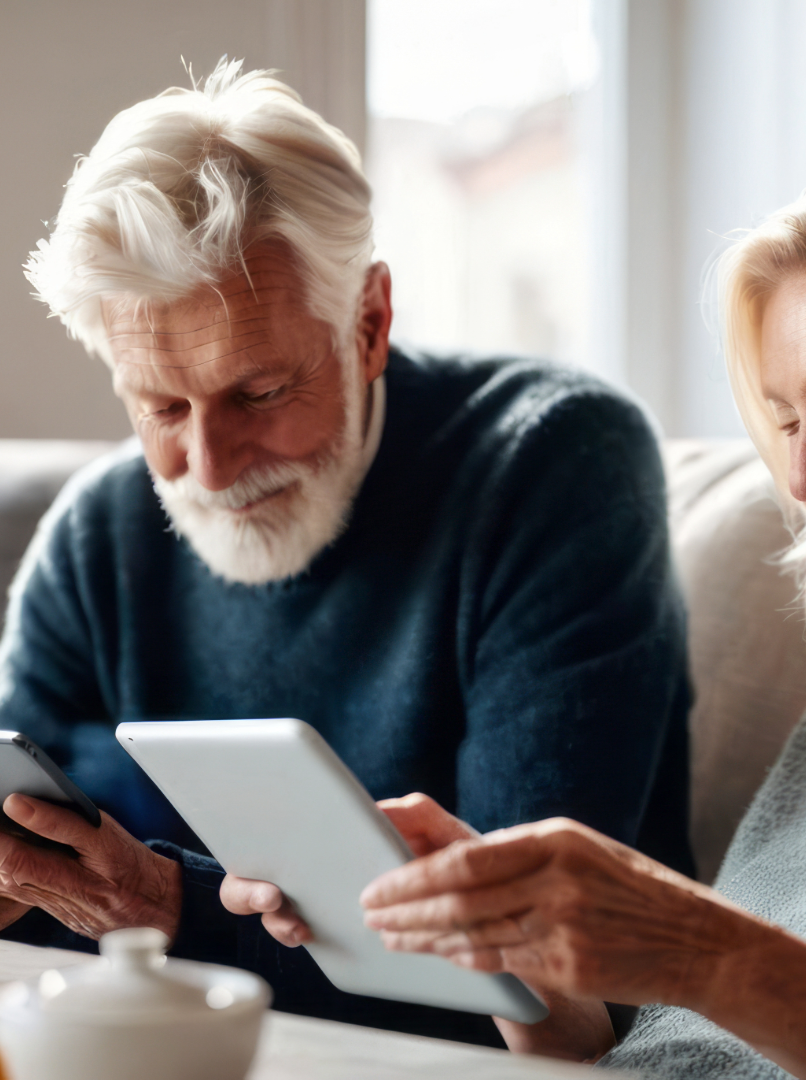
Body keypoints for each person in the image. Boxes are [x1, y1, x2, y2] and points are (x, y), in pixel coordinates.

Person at [229, 130, 806, 1078]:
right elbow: (681, 1054)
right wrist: (516, 960)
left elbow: (725, 985)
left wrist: (701, 952)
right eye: (789, 420)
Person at [0, 59, 693, 1046]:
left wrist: (164, 910)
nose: (208, 464)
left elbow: (548, 971)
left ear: (369, 323)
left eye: (261, 393)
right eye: (158, 405)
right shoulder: (100, 534)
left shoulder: (552, 464)